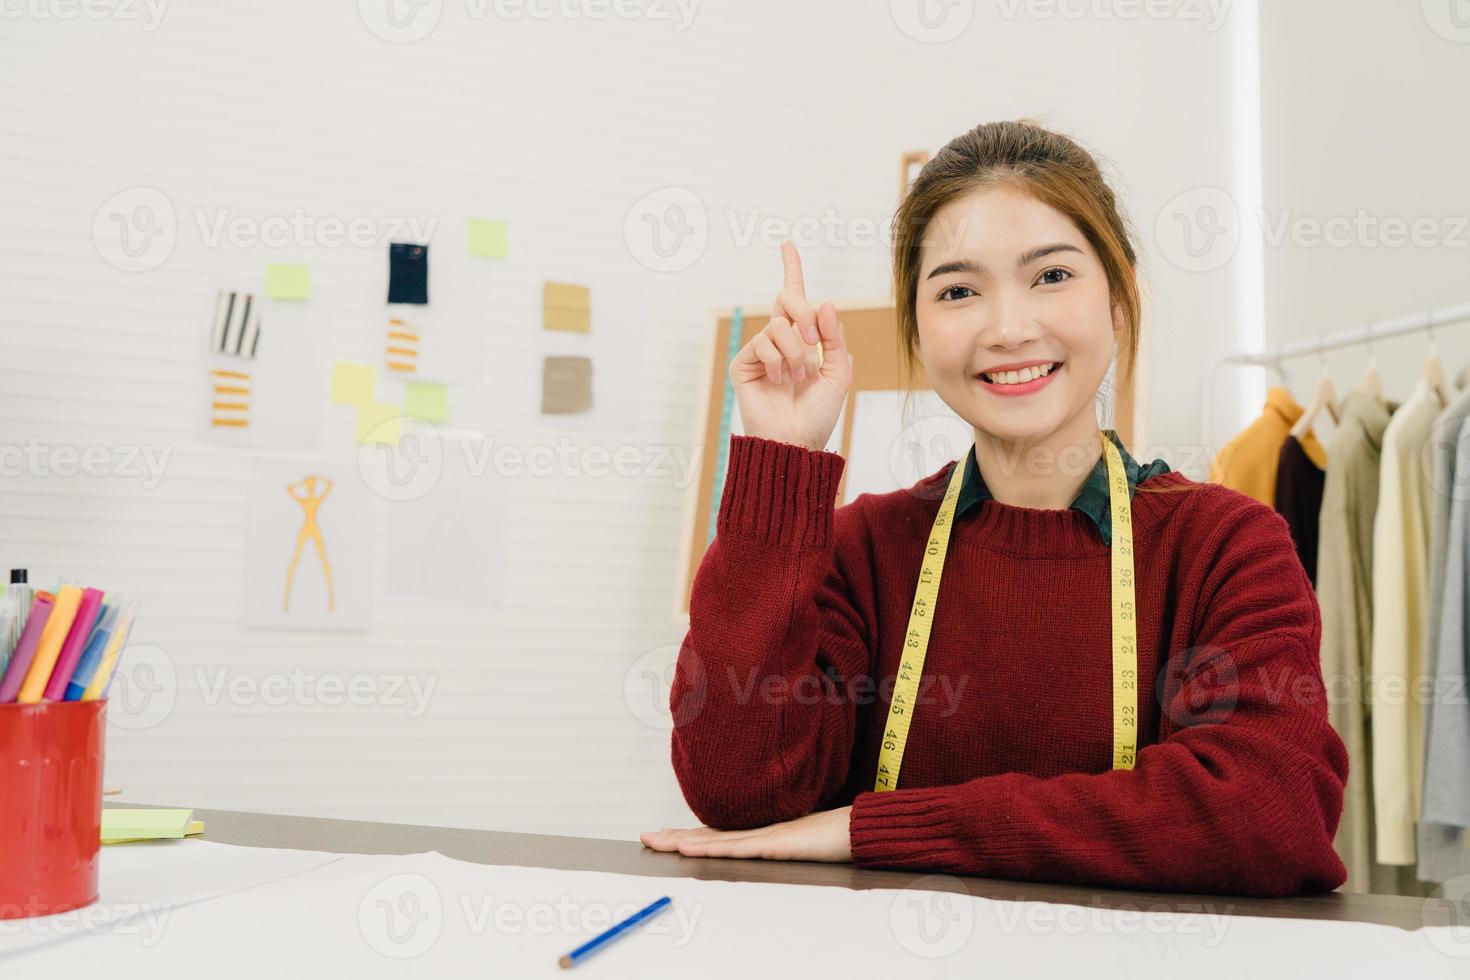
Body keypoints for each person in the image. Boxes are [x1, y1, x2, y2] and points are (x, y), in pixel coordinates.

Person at [640, 119, 1349, 897]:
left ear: (1118, 298)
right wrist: (781, 460)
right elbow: (741, 794)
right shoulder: (865, 551)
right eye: (958, 290)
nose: (1009, 329)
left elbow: (1264, 814)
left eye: (1051, 276)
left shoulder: (1225, 547)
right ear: (916, 325)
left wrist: (871, 828)